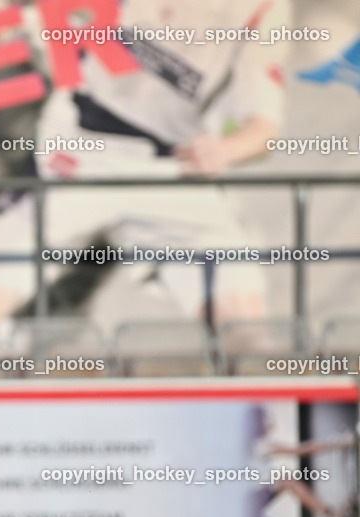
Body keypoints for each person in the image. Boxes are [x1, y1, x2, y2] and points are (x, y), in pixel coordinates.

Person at [26, 0, 291, 326]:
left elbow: (264, 128)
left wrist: (224, 150)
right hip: (75, 149)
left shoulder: (264, 7)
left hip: (169, 166)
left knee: (244, 323)